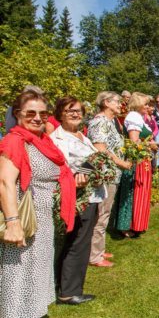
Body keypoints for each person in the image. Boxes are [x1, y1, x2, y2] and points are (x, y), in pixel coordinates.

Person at [0, 90, 76, 318]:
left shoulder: (42, 140)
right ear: (17, 114)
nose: (37, 118)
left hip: (42, 222)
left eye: (43, 114)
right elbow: (4, 182)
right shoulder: (15, 140)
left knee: (35, 275)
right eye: (30, 113)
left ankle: (31, 312)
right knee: (18, 275)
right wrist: (13, 223)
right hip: (23, 220)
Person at [50, 97, 104, 305]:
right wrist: (75, 179)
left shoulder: (83, 136)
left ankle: (62, 285)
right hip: (77, 196)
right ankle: (69, 292)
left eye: (78, 111)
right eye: (69, 111)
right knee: (77, 243)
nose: (75, 114)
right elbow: (61, 167)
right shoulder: (57, 138)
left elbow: (92, 161)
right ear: (60, 114)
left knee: (77, 240)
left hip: (91, 194)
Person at [87, 91, 132, 267]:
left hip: (112, 173)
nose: (120, 104)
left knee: (104, 213)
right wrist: (120, 162)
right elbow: (100, 148)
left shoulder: (110, 121)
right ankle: (94, 256)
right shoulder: (99, 122)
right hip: (105, 173)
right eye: (117, 101)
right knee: (101, 214)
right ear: (106, 102)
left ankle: (99, 249)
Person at [116, 92, 158, 237]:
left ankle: (137, 223)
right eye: (145, 104)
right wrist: (150, 146)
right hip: (136, 161)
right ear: (138, 104)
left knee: (140, 191)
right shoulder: (133, 116)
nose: (148, 106)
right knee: (134, 191)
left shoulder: (139, 117)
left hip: (143, 159)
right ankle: (127, 226)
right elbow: (134, 142)